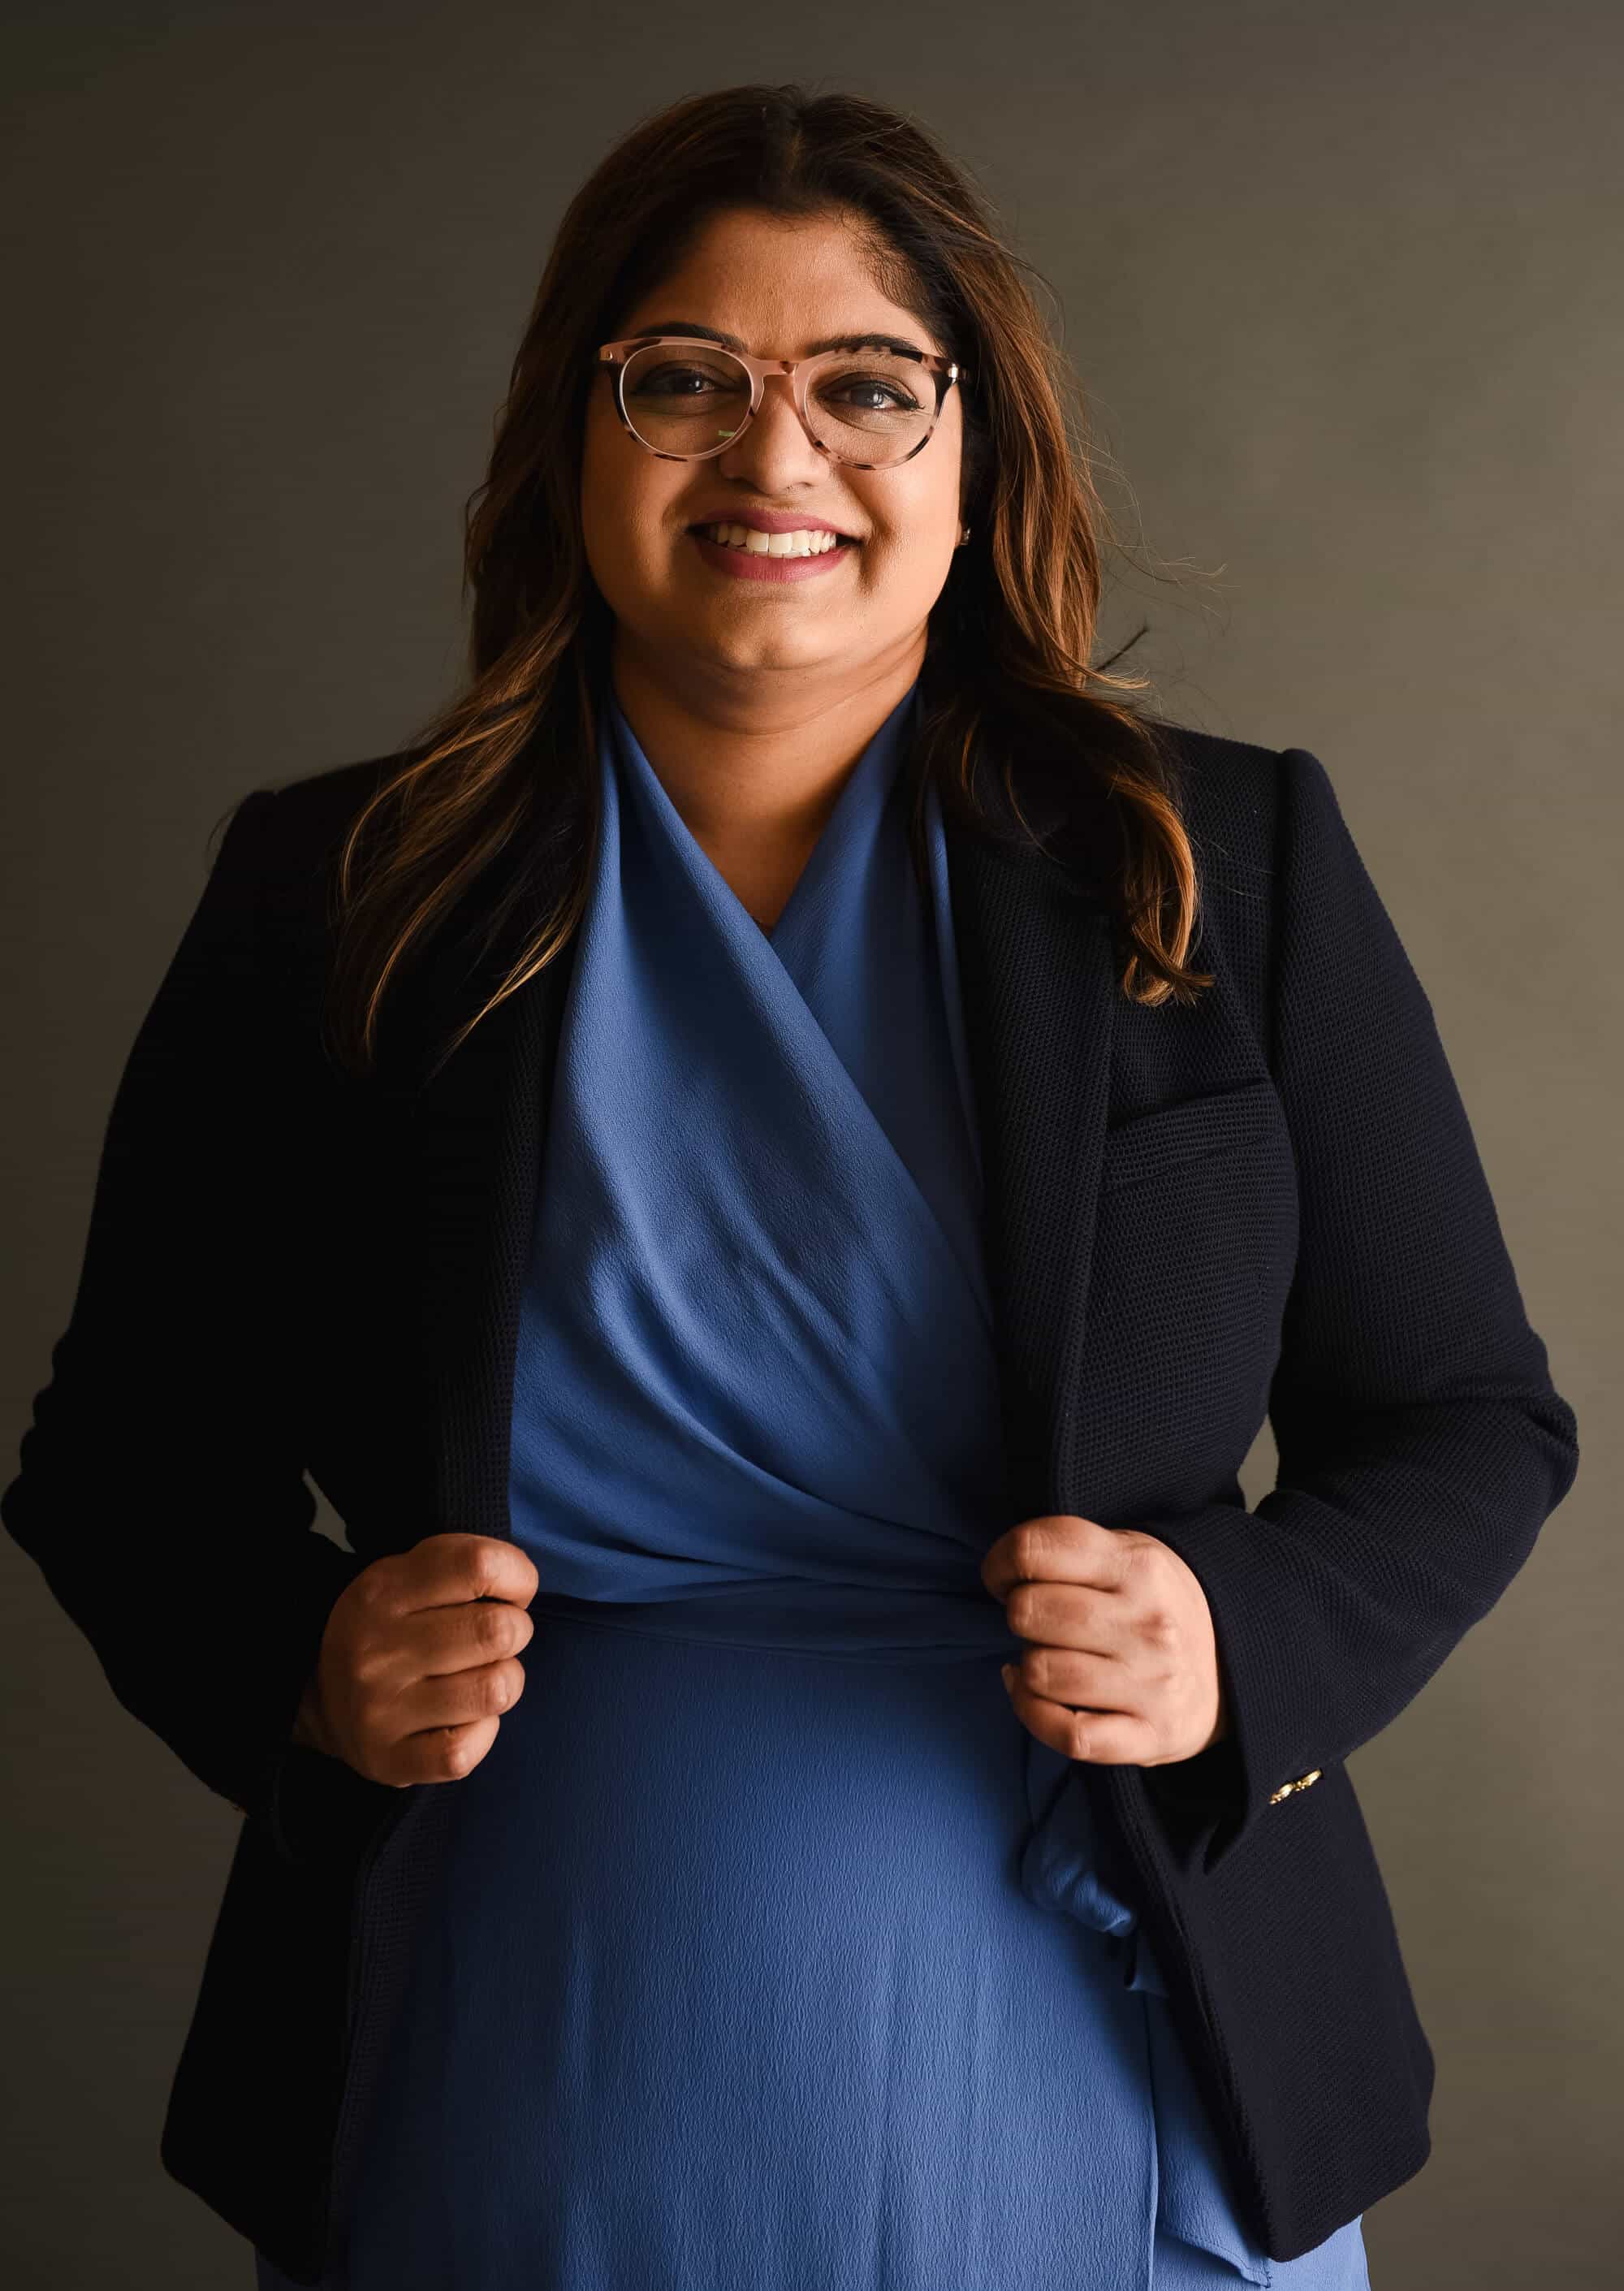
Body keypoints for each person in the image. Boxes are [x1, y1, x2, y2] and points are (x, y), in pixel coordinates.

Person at [2, 81, 1579, 2291]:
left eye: (863, 384)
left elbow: (1468, 1420)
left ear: (974, 451)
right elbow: (120, 1456)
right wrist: (301, 1661)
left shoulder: (1224, 865)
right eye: (683, 382)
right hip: (506, 2063)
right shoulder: (340, 889)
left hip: (1126, 2058)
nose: (775, 458)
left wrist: (1234, 1641)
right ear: (576, 435)